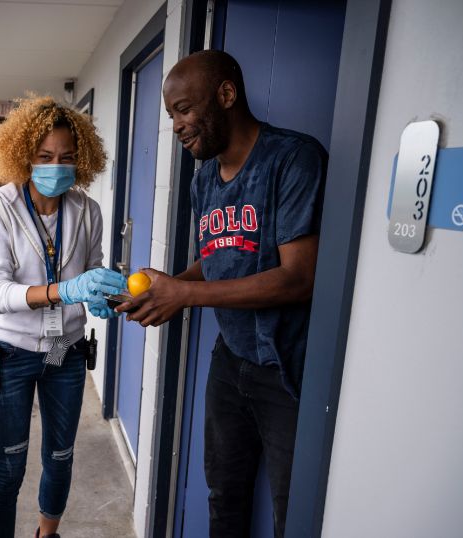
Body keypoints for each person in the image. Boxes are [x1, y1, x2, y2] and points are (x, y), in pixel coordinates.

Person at [117, 50, 327, 538]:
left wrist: (183, 296)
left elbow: (299, 278)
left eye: (185, 109)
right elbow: (215, 260)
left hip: (286, 369)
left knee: (289, 511)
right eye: (171, 115)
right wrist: (166, 287)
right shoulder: (203, 179)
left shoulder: (293, 158)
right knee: (224, 495)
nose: (177, 125)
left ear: (226, 95)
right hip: (230, 360)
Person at [0, 95, 125, 538]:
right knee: (10, 462)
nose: (56, 166)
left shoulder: (87, 211)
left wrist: (100, 296)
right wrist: (66, 290)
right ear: (23, 155)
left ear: (82, 161)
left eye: (66, 157)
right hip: (13, 351)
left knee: (60, 455)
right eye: (44, 156)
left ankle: (47, 534)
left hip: (63, 348)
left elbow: (92, 266)